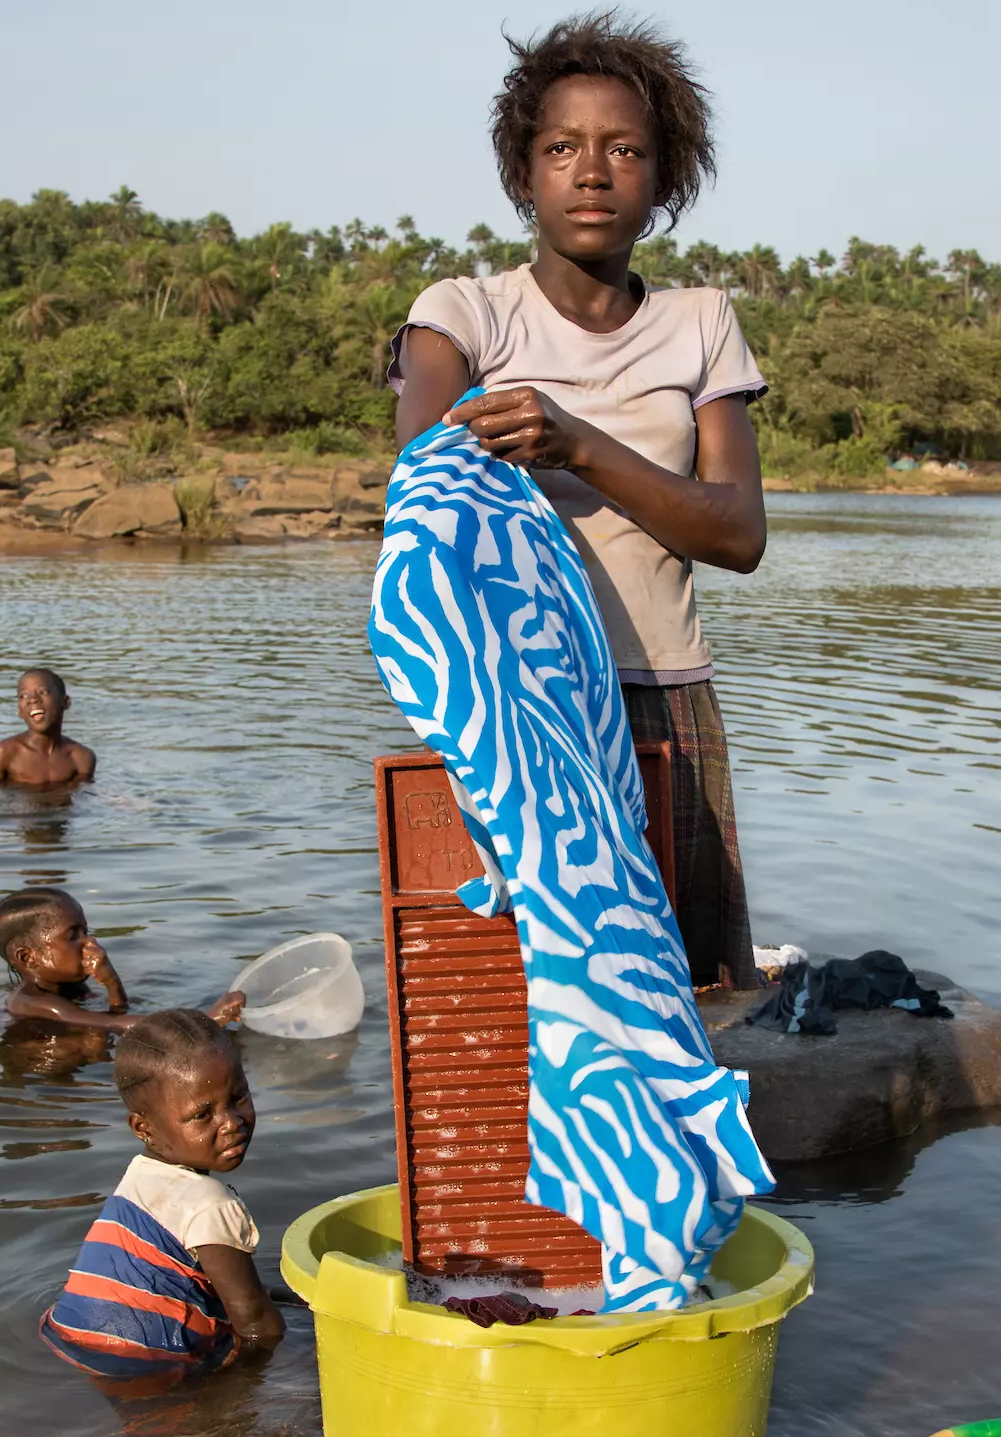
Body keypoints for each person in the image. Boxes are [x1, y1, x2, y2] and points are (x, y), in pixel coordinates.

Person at [389, 12, 764, 989]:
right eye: (561, 148)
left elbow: (737, 532)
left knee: (687, 996)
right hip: (521, 713)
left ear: (665, 176)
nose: (591, 172)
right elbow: (424, 483)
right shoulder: (465, 314)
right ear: (524, 174)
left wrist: (578, 446)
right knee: (510, 998)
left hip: (664, 697)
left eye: (624, 149)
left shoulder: (701, 324)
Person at [38, 1009, 285, 1387]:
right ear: (144, 1127)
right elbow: (256, 1323)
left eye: (238, 1097)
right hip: (143, 1365)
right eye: (203, 1114)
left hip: (70, 1332)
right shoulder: (211, 1204)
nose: (231, 1122)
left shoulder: (140, 1175)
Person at [0, 886, 244, 1031]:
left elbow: (118, 1013)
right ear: (28, 957)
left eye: (85, 931)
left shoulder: (69, 986)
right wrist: (206, 1021)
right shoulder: (35, 1003)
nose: (90, 943)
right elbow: (116, 1025)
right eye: (72, 936)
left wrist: (111, 982)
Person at [0, 668, 94, 787]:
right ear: (20, 711)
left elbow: (84, 795)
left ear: (65, 702)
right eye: (23, 695)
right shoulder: (4, 753)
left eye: (43, 692)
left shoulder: (81, 757)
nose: (32, 699)